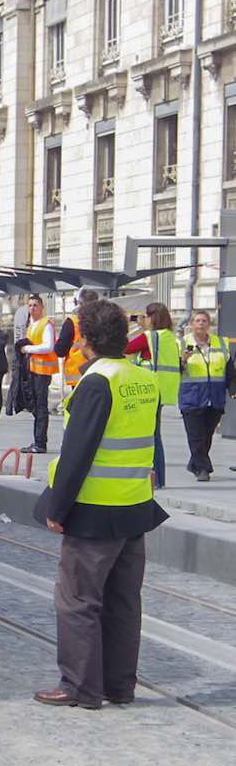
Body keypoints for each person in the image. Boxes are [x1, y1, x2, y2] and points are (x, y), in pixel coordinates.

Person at [34, 299, 165, 709]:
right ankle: (119, 686)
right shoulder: (143, 378)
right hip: (134, 506)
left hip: (94, 512)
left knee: (77, 600)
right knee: (124, 601)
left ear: (85, 339)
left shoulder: (97, 382)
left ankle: (80, 687)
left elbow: (78, 453)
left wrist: (57, 508)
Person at [124, 303, 179, 488]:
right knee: (155, 435)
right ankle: (159, 478)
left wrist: (134, 326)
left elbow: (126, 348)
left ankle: (155, 478)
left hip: (150, 390)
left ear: (151, 318)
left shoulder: (150, 336)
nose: (142, 319)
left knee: (151, 436)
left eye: (144, 316)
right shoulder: (169, 337)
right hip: (164, 390)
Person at [178, 309, 234, 482]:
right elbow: (175, 372)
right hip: (191, 397)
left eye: (204, 320)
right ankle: (203, 469)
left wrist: (232, 389)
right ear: (191, 325)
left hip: (215, 398)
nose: (201, 323)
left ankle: (194, 463)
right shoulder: (181, 344)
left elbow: (230, 371)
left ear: (209, 325)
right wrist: (183, 360)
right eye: (197, 320)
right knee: (196, 436)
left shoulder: (221, 344)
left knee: (206, 435)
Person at [19, 294, 57, 454]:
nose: (32, 308)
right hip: (33, 369)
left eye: (35, 305)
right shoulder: (31, 325)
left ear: (42, 307)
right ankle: (37, 440)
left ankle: (40, 442)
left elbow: (48, 347)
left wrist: (28, 349)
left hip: (43, 371)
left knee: (40, 406)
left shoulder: (45, 324)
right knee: (34, 405)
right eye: (30, 305)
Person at [56, 288, 99, 391]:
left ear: (80, 303)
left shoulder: (72, 322)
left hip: (78, 374)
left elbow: (60, 351)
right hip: (99, 370)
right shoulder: (103, 321)